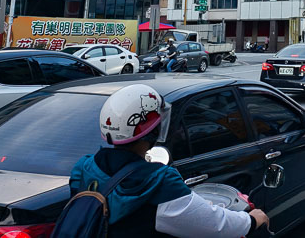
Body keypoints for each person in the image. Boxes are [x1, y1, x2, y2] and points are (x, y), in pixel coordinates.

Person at [69, 84, 269, 237]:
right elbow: (212, 224)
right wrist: (250, 220)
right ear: (154, 130)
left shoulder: (84, 167)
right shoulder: (159, 181)